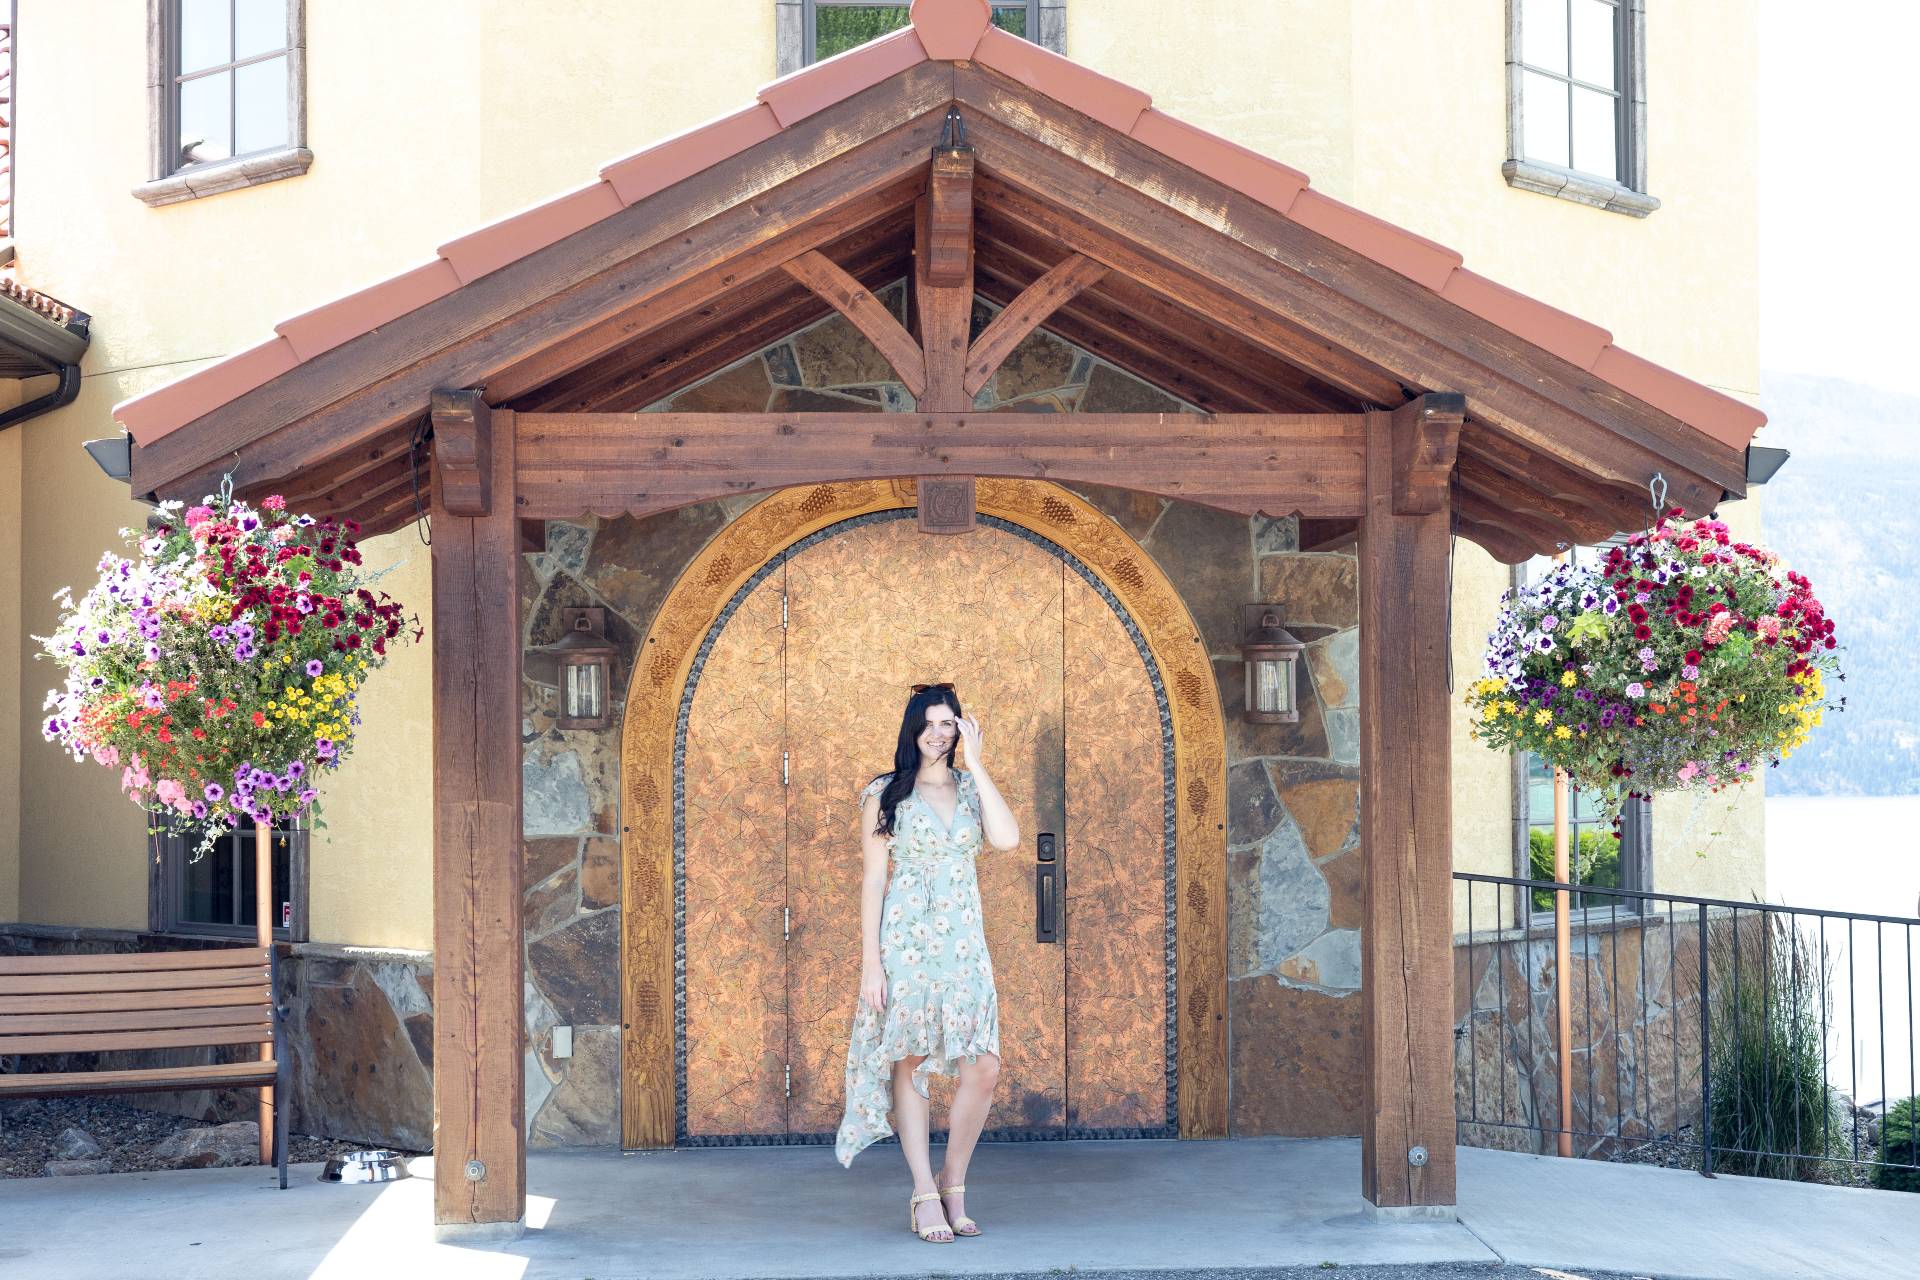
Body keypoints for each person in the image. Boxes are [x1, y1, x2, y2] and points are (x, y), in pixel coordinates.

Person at [833, 683, 1021, 1243]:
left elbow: (1007, 840)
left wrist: (980, 764)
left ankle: (953, 1183)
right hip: (906, 944)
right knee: (909, 1060)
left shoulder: (969, 788)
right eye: (930, 723)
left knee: (982, 1066)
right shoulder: (885, 793)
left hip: (964, 943)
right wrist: (872, 965)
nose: (938, 733)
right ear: (912, 727)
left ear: (961, 728)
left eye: (949, 723)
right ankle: (922, 1192)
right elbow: (873, 880)